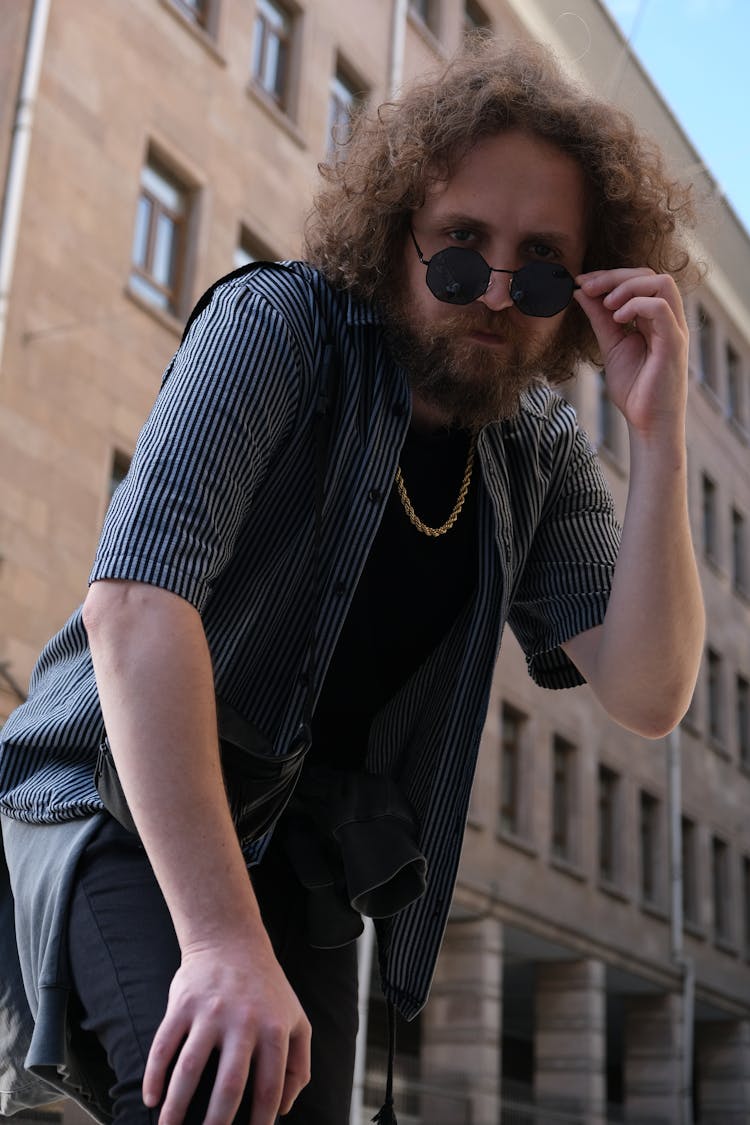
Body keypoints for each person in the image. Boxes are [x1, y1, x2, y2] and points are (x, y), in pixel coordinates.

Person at [0, 37, 704, 1125]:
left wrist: (659, 438)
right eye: (462, 248)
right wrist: (224, 941)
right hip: (123, 802)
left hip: (301, 858)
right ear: (396, 234)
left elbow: (650, 692)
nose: (497, 292)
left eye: (545, 265)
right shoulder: (277, 328)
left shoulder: (538, 452)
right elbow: (135, 606)